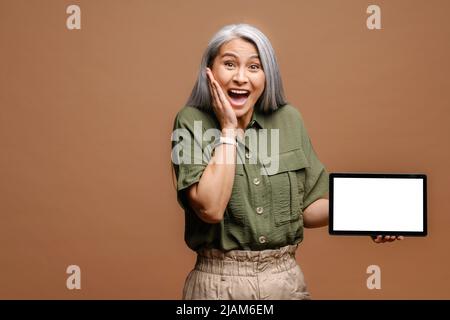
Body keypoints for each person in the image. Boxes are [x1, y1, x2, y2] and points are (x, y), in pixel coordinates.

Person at [171, 23, 402, 300]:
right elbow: (210, 208)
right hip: (218, 285)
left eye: (254, 67)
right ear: (209, 71)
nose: (241, 77)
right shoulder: (189, 122)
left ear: (268, 75)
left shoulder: (289, 119)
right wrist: (229, 131)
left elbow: (307, 208)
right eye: (229, 64)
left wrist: (366, 215)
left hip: (285, 282)